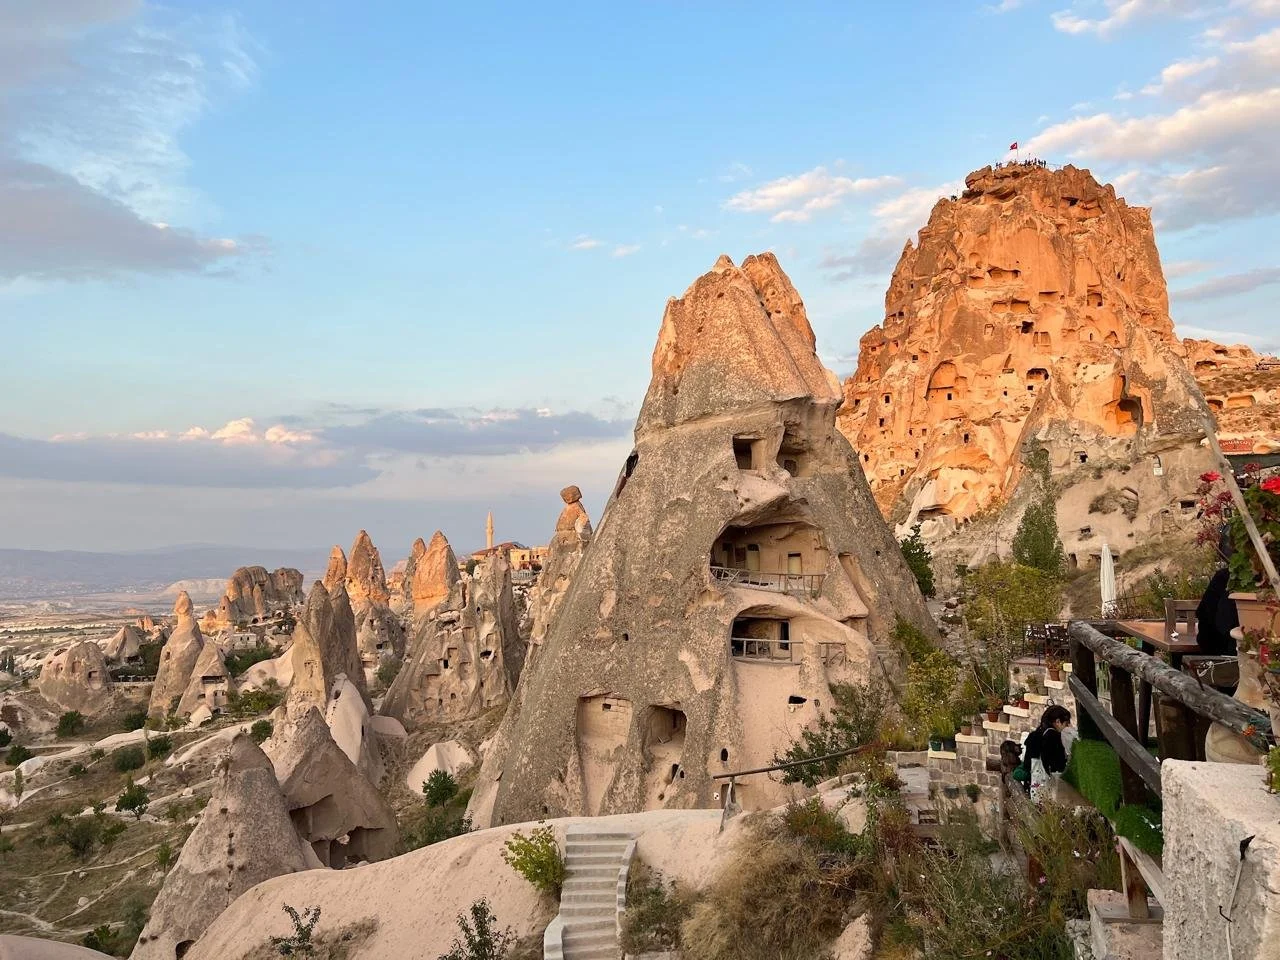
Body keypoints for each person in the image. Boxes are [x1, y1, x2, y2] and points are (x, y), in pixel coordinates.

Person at [1024, 705, 1071, 802]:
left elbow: (1027, 763)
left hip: (1032, 784)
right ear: (1058, 722)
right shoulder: (1053, 737)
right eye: (1066, 724)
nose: (1067, 727)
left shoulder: (1036, 734)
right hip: (1047, 788)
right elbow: (1057, 765)